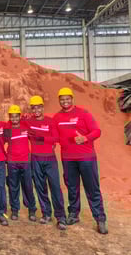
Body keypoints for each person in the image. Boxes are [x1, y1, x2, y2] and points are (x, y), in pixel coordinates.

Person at [53, 87, 108, 234]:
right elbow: (52, 134)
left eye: (67, 98)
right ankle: (73, 214)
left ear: (72, 99)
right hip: (67, 159)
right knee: (72, 187)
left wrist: (85, 138)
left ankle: (100, 219)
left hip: (86, 158)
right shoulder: (57, 117)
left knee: (92, 188)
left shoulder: (83, 114)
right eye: (62, 99)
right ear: (59, 100)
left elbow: (97, 131)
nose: (65, 101)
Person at [25, 96, 67, 230]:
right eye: (33, 107)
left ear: (43, 107)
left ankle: (61, 217)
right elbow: (15, 122)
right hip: (35, 158)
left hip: (50, 159)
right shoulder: (28, 121)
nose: (36, 110)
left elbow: (56, 138)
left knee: (55, 187)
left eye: (39, 107)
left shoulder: (50, 121)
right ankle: (46, 213)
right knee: (40, 187)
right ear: (31, 109)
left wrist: (41, 138)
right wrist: (23, 117)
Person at [4, 105, 37, 222]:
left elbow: (33, 130)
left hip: (25, 162)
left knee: (28, 186)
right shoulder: (7, 129)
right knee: (13, 187)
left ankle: (32, 209)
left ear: (19, 116)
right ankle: (14, 210)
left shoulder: (25, 127)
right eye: (11, 117)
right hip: (12, 162)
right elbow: (2, 138)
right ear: (9, 118)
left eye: (16, 116)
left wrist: (24, 118)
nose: (14, 119)